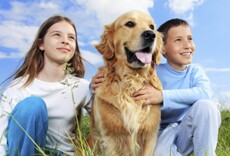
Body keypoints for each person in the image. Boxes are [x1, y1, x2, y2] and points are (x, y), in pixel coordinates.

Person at [91, 18, 221, 156]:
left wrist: (162, 96)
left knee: (206, 106)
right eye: (178, 40)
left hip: (187, 129)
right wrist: (93, 85)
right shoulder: (151, 71)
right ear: (162, 48)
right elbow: (120, 83)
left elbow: (205, 93)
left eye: (189, 38)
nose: (187, 45)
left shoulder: (194, 72)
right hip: (160, 134)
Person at [0, 15, 91, 156]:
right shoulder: (19, 86)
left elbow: (109, 121)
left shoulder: (82, 87)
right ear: (41, 44)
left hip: (63, 153)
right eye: (57, 35)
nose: (65, 41)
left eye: (71, 38)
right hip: (25, 152)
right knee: (32, 105)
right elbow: (1, 133)